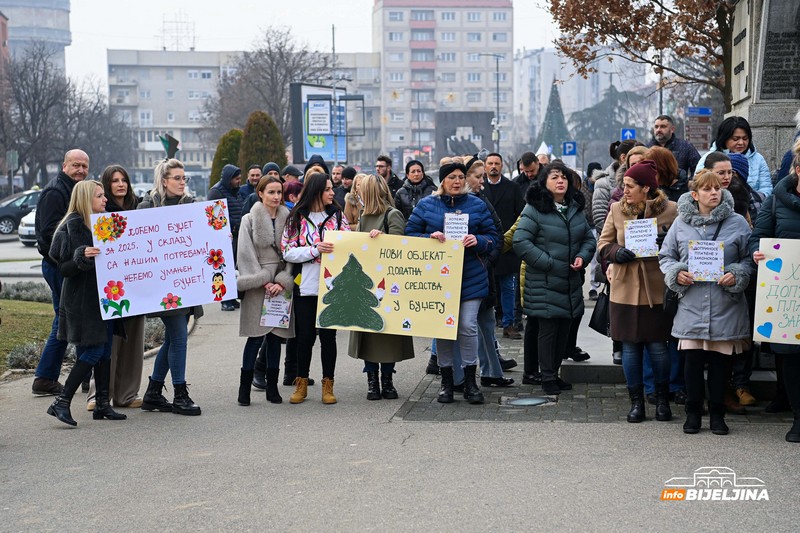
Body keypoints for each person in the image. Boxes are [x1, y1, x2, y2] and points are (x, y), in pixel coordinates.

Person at [660, 169, 752, 435]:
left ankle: (717, 416)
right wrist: (677, 272)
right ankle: (692, 412)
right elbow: (665, 256)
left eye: (717, 189)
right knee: (692, 363)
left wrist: (737, 274)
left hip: (725, 304)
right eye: (707, 189)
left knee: (721, 364)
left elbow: (748, 258)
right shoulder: (680, 223)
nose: (714, 193)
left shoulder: (737, 222)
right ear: (695, 194)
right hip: (692, 302)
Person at [405, 158, 499, 405]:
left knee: (467, 326)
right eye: (451, 177)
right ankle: (447, 382)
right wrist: (429, 237)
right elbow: (409, 235)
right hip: (439, 279)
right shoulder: (427, 205)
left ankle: (470, 380)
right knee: (444, 330)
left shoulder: (477, 205)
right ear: (442, 181)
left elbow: (493, 238)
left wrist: (477, 241)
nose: (457, 182)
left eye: (460, 177)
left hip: (471, 276)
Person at [598, 160, 678, 423]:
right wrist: (614, 253)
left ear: (647, 188)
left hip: (656, 288)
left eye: (631, 186)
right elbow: (603, 243)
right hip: (624, 287)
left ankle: (662, 401)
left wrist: (665, 241)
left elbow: (683, 243)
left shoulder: (671, 210)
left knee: (658, 347)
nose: (625, 189)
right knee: (630, 348)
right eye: (624, 185)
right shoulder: (616, 209)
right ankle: (636, 403)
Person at [46, 180, 126, 426]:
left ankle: (102, 404)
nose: (105, 199)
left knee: (103, 351)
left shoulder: (104, 223)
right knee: (93, 350)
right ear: (85, 199)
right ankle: (62, 401)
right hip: (83, 302)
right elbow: (63, 268)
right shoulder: (71, 227)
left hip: (105, 298)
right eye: (100, 196)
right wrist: (81, 256)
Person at [513, 161, 596, 395]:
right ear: (544, 183)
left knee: (564, 329)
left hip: (570, 279)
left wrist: (582, 257)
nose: (561, 181)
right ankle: (547, 376)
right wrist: (547, 263)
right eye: (555, 178)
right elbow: (521, 241)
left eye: (564, 178)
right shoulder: (534, 209)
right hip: (544, 281)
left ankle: (555, 371)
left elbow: (589, 240)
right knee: (548, 331)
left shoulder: (575, 208)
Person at [138, 158, 202, 416]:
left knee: (174, 338)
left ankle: (153, 392)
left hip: (185, 283)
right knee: (179, 336)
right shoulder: (146, 206)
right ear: (163, 181)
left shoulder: (192, 205)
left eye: (183, 178)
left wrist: (220, 234)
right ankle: (179, 394)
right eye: (177, 178)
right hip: (160, 286)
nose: (182, 182)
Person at [281, 172, 350, 404]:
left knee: (329, 337)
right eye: (328, 189)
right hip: (305, 287)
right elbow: (286, 250)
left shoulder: (338, 216)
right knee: (305, 338)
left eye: (332, 188)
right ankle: (301, 384)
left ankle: (328, 385)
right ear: (317, 191)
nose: (333, 192)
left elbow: (351, 245)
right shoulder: (296, 217)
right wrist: (314, 250)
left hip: (333, 287)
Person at [348, 174, 414, 400]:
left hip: (388, 285)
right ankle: (372, 381)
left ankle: (387, 380)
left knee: (388, 335)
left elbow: (401, 249)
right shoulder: (362, 218)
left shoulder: (392, 215)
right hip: (365, 284)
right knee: (368, 335)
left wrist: (384, 238)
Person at [86, 165, 145, 410]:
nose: (120, 184)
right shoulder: (99, 212)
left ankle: (126, 394)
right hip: (111, 288)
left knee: (133, 340)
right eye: (115, 180)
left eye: (124, 180)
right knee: (108, 341)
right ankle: (98, 394)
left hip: (139, 284)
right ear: (106, 185)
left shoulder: (141, 208)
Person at [750, 152, 800, 443]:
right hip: (787, 292)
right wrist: (759, 251)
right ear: (796, 169)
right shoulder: (775, 200)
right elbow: (759, 235)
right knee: (791, 356)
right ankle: (797, 416)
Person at [32, 149, 89, 396]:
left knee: (71, 318)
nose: (80, 170)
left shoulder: (76, 189)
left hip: (69, 266)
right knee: (64, 319)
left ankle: (83, 374)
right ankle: (45, 378)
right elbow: (47, 235)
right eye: (76, 165)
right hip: (58, 267)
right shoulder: (56, 192)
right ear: (64, 166)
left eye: (84, 166)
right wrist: (66, 262)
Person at [236, 175, 294, 406]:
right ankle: (244, 388)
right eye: (271, 192)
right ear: (260, 193)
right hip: (257, 283)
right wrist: (262, 280)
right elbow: (245, 253)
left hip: (280, 285)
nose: (276, 197)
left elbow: (292, 250)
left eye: (279, 192)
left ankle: (272, 386)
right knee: (254, 337)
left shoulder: (288, 218)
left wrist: (282, 280)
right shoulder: (249, 219)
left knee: (275, 337)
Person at [463, 156, 514, 387]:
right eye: (477, 176)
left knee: (485, 324)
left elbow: (497, 233)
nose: (482, 181)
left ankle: (491, 372)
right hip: (460, 273)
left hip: (481, 272)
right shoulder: (451, 202)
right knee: (470, 326)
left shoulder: (480, 200)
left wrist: (487, 259)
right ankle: (462, 375)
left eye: (482, 176)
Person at [482, 152, 525, 341]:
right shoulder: (479, 188)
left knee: (508, 287)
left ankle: (509, 323)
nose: (493, 166)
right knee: (485, 288)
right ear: (484, 166)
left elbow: (520, 215)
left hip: (507, 245)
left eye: (496, 163)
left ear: (501, 166)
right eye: (490, 163)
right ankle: (487, 327)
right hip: (484, 245)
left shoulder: (513, 188)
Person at [695, 116, 772, 195]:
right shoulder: (707, 159)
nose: (741, 143)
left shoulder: (758, 159)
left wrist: (755, 201)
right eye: (736, 139)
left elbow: (766, 188)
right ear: (724, 138)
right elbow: (699, 187)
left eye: (745, 138)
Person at [208, 164, 244, 311]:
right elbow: (215, 217)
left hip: (237, 236)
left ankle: (232, 297)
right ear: (229, 179)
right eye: (236, 179)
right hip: (224, 238)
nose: (239, 181)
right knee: (224, 269)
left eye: (240, 178)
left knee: (233, 268)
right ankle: (225, 300)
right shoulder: (216, 192)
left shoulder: (235, 191)